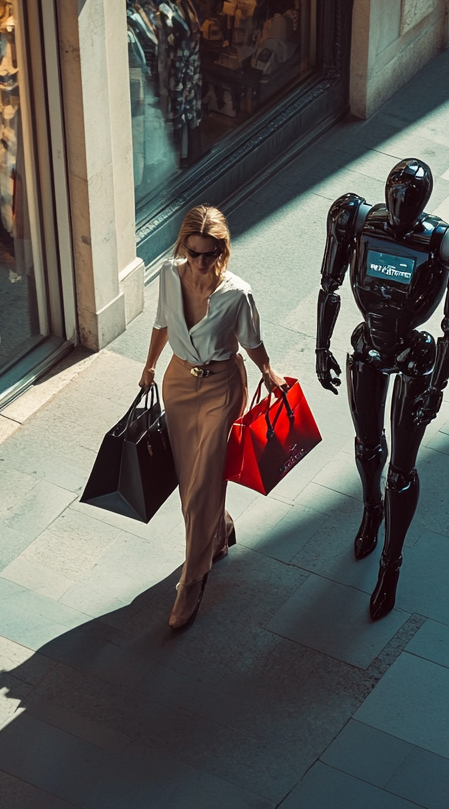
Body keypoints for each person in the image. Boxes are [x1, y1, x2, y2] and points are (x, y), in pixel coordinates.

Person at [141, 205, 287, 629]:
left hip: (223, 386)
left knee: (204, 478)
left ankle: (193, 577)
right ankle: (218, 529)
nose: (201, 262)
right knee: (191, 477)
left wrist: (267, 370)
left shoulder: (237, 293)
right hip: (179, 384)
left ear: (222, 249)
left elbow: (251, 341)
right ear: (184, 247)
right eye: (193, 252)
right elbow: (161, 323)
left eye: (209, 253)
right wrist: (149, 366)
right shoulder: (170, 274)